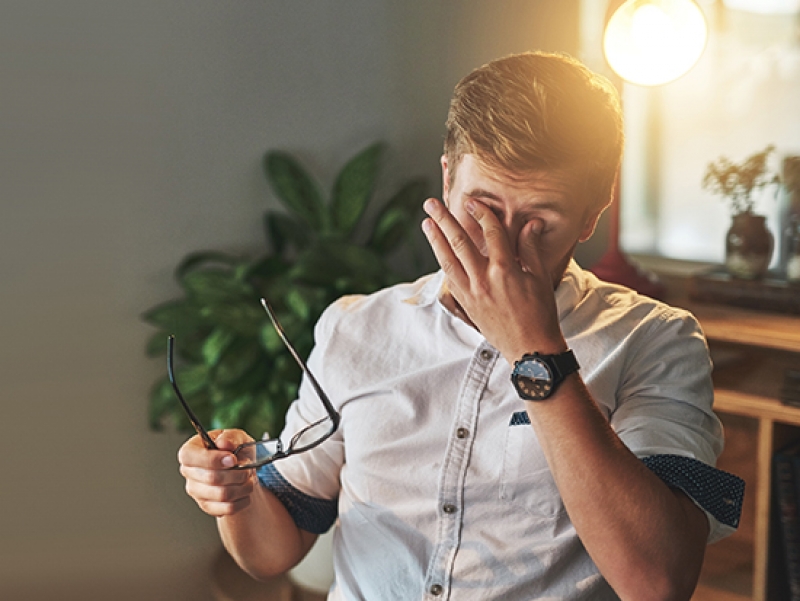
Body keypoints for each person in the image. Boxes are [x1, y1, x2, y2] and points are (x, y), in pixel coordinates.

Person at [178, 51, 743, 600]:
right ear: (447, 179)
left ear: (595, 210)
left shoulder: (656, 339)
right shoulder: (356, 326)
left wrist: (534, 349)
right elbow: (273, 552)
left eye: (540, 222)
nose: (502, 247)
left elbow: (659, 582)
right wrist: (236, 493)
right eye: (482, 208)